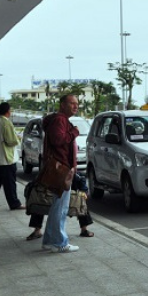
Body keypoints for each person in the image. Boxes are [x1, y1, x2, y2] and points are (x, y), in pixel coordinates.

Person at [41, 95, 80, 253]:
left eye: (77, 104)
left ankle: (50, 241)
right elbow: (58, 140)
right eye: (72, 103)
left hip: (61, 168)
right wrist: (74, 133)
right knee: (60, 207)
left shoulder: (59, 120)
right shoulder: (60, 120)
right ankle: (59, 242)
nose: (75, 106)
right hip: (61, 169)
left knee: (57, 206)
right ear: (62, 105)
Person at [26, 171, 94, 241]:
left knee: (81, 202)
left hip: (69, 190)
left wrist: (82, 194)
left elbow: (84, 190)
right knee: (39, 202)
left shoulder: (75, 176)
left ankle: (84, 229)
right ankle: (37, 230)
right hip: (50, 194)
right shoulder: (48, 171)